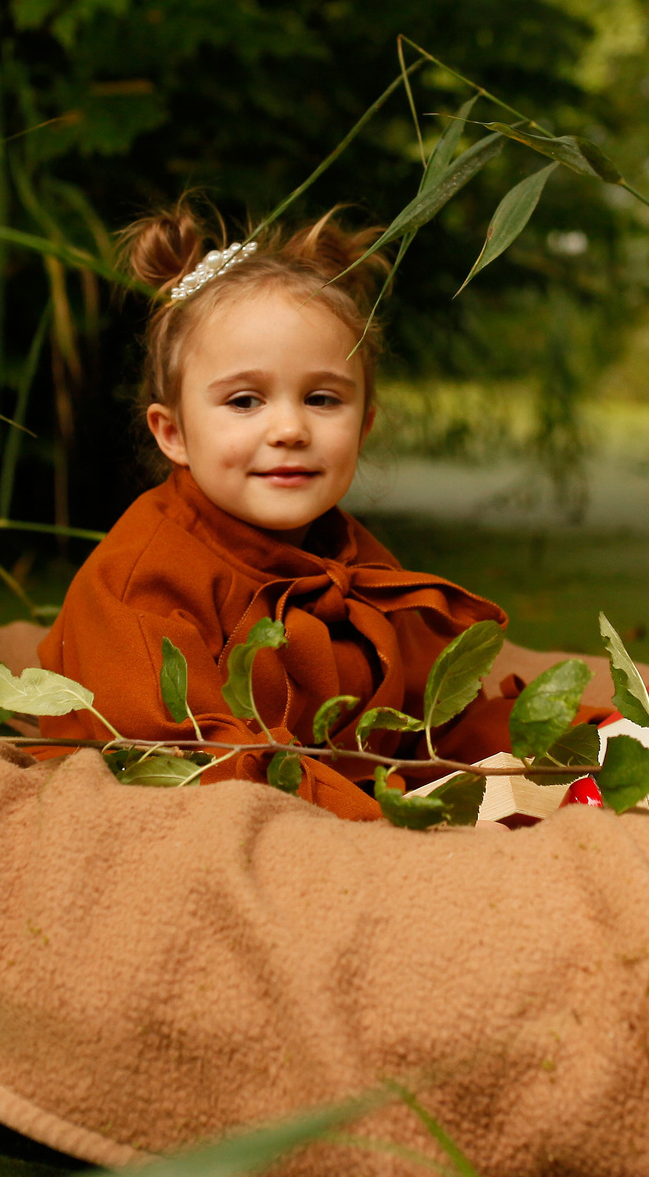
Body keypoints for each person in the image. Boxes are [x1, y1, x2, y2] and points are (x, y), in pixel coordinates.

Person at [35, 202, 603, 820]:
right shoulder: (142, 581)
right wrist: (373, 822)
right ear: (172, 433)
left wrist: (578, 741)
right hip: (223, 816)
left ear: (364, 426)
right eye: (246, 401)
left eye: (322, 398)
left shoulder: (348, 554)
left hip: (337, 806)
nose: (289, 428)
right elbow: (187, 760)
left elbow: (430, 728)